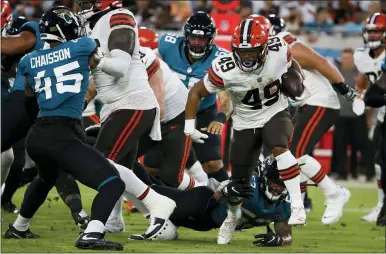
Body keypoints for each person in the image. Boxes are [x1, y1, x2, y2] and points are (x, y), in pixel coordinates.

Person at [2, 6, 125, 250]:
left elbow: (28, 99)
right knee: (113, 183)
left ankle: (19, 227)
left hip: (37, 134)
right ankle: (92, 234)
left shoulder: (28, 60)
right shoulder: (83, 46)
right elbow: (98, 62)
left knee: (46, 178)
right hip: (63, 131)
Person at [185, 18, 306, 245]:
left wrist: (300, 82)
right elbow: (196, 92)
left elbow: (292, 66)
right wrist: (188, 127)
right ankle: (233, 216)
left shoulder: (279, 50)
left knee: (279, 146)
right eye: (243, 51)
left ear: (264, 47)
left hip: (274, 112)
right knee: (239, 182)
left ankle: (298, 204)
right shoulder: (224, 67)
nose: (247, 56)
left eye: (252, 51)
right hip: (244, 122)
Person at [75, 0, 177, 239]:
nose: (82, 5)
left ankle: (158, 204)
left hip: (132, 103)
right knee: (121, 171)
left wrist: (95, 59)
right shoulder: (98, 23)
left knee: (102, 165)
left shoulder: (119, 17)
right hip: (118, 105)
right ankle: (125, 220)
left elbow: (120, 66)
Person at [1, 10, 90, 227]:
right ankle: (78, 212)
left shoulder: (32, 32)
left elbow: (12, 46)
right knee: (56, 164)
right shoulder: (77, 48)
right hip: (51, 107)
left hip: (29, 99)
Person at [266, 14, 354, 225]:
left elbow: (320, 61)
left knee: (292, 154)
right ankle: (302, 200)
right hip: (305, 104)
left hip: (319, 102)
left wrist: (342, 86)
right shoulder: (267, 54)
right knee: (287, 154)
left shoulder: (286, 44)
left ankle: (333, 193)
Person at [129, 156, 292, 247]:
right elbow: (217, 196)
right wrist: (226, 191)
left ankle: (126, 164)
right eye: (275, 183)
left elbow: (286, 236)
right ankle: (124, 161)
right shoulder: (250, 183)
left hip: (206, 223)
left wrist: (280, 240)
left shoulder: (284, 206)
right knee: (148, 190)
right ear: (265, 178)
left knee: (158, 198)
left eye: (282, 186)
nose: (277, 189)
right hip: (201, 203)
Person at [156, 11, 231, 183]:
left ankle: (228, 204)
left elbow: (227, 99)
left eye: (202, 39)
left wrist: (220, 119)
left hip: (203, 112)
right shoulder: (168, 45)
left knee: (212, 163)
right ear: (185, 35)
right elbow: (151, 71)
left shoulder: (221, 59)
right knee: (153, 165)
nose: (196, 43)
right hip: (171, 112)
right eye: (193, 37)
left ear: (211, 39)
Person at [353, 13, 385, 226]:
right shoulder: (361, 55)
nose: (372, 34)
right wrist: (359, 96)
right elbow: (364, 80)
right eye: (370, 31)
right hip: (381, 113)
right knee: (379, 164)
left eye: (377, 30)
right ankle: (381, 205)